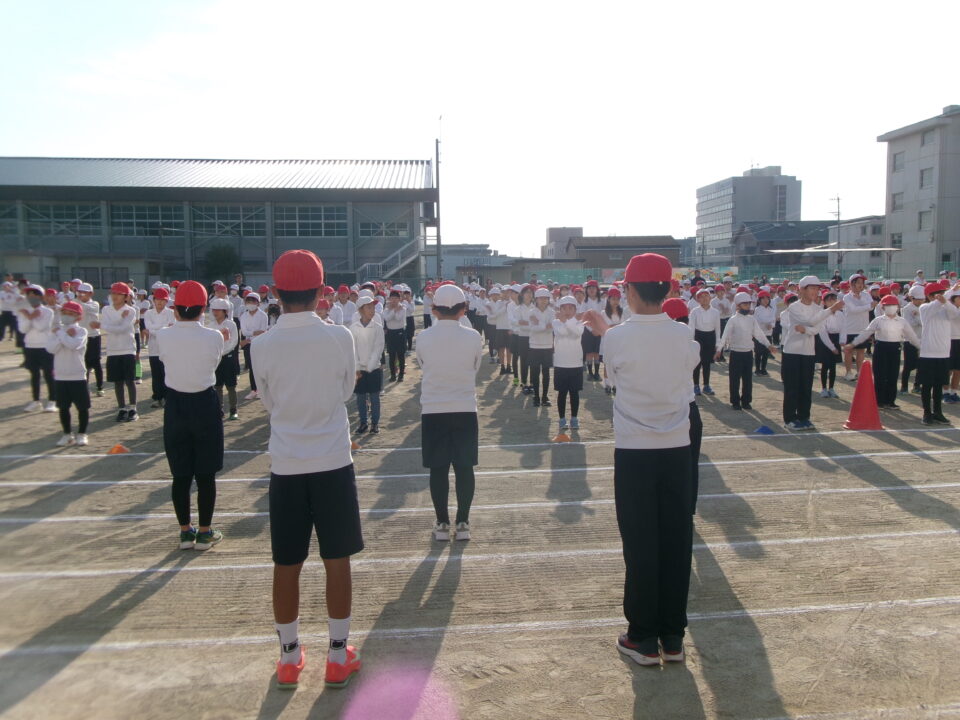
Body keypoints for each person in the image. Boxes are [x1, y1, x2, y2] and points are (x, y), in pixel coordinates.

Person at [252, 250, 363, 690]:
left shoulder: (261, 345)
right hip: (333, 459)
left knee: (286, 562)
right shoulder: (339, 336)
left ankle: (289, 656)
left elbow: (268, 401)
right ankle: (337, 655)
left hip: (287, 462)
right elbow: (346, 392)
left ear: (276, 293)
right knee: (337, 559)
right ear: (320, 292)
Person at [584, 253, 699, 666]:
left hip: (635, 450)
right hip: (677, 448)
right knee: (676, 540)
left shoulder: (616, 338)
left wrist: (606, 331)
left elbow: (613, 378)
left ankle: (642, 637)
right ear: (667, 290)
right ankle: (673, 635)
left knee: (640, 542)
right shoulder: (684, 334)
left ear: (630, 291)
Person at [157, 280, 225, 552]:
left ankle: (186, 532)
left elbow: (164, 360)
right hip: (204, 403)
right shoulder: (214, 336)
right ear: (203, 309)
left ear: (175, 309)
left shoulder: (163, 335)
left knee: (181, 474)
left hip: (176, 404)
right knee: (206, 474)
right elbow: (214, 363)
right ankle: (205, 533)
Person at [416, 284, 483, 541]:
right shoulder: (473, 337)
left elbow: (422, 364)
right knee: (465, 468)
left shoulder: (423, 337)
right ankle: (463, 522)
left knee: (438, 469)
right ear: (463, 309)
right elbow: (475, 367)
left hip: (434, 408)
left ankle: (442, 523)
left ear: (434, 310)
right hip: (465, 407)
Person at [779, 276, 845, 430]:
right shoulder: (794, 307)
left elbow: (816, 328)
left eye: (817, 289)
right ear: (802, 290)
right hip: (792, 351)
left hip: (808, 352)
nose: (815, 292)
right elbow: (810, 321)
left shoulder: (818, 309)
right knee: (792, 386)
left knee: (806, 386)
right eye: (812, 288)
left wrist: (806, 330)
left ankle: (804, 417)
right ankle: (790, 419)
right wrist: (831, 310)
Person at [844, 295, 920, 409]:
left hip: (895, 348)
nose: (891, 307)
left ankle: (890, 401)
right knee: (880, 375)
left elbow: (912, 336)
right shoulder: (878, 320)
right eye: (888, 305)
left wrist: (921, 347)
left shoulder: (902, 321)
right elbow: (866, 333)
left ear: (897, 307)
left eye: (893, 305)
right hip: (881, 348)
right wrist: (853, 344)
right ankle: (879, 401)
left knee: (893, 375)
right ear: (883, 308)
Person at [716, 292, 774, 410]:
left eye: (749, 304)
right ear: (738, 306)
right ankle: (735, 402)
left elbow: (759, 334)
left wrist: (768, 345)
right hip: (736, 353)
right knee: (734, 379)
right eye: (745, 304)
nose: (748, 306)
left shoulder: (751, 319)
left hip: (748, 352)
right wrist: (719, 349)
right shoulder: (732, 320)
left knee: (748, 379)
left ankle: (746, 401)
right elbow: (725, 335)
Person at [46, 301, 90, 445]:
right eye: (64, 313)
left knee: (82, 407)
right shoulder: (57, 330)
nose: (66, 316)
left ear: (78, 316)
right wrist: (63, 333)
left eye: (71, 314)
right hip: (60, 375)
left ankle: (82, 434)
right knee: (63, 407)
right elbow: (51, 348)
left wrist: (61, 334)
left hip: (77, 375)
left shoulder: (82, 331)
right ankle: (67, 434)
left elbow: (73, 345)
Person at [917, 281, 960, 424]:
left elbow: (955, 313)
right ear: (929, 296)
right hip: (928, 353)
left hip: (943, 353)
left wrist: (946, 300)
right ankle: (927, 413)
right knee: (927, 385)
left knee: (938, 385)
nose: (941, 296)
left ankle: (938, 412)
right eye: (937, 294)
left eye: (942, 293)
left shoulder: (946, 309)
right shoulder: (924, 307)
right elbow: (935, 305)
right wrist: (947, 294)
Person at [100, 282, 140, 422]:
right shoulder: (106, 310)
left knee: (130, 380)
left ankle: (133, 408)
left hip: (128, 349)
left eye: (119, 294)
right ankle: (122, 409)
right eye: (113, 293)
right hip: (113, 350)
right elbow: (107, 327)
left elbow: (122, 328)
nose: (115, 296)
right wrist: (120, 318)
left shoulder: (131, 310)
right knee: (118, 382)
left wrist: (113, 324)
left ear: (126, 297)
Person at [18, 284, 57, 413]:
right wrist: (30, 317)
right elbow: (23, 329)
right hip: (30, 346)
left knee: (48, 374)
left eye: (34, 295)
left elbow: (41, 327)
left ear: (40, 297)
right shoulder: (24, 311)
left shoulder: (48, 311)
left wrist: (30, 317)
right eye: (29, 295)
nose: (31, 298)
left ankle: (52, 401)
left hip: (45, 346)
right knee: (34, 374)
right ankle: (36, 401)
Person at [350, 296, 385, 434]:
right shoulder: (353, 328)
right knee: (360, 398)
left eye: (373, 307)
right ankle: (363, 423)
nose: (372, 310)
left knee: (375, 397)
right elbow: (353, 349)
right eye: (368, 307)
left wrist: (369, 366)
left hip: (374, 368)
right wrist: (358, 367)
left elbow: (378, 348)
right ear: (361, 310)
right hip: (359, 370)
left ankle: (375, 423)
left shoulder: (378, 327)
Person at [552, 296, 585, 431]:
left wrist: (567, 321)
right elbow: (562, 332)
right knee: (562, 393)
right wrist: (566, 322)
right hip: (560, 363)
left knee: (574, 393)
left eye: (571, 308)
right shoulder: (555, 322)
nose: (567, 311)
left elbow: (577, 333)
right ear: (560, 309)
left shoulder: (580, 322)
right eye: (564, 308)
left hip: (576, 363)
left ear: (575, 310)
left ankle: (574, 418)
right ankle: (561, 419)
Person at [144, 287, 175, 409]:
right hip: (153, 349)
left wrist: (154, 329)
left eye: (163, 300)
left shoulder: (170, 313)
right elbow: (148, 326)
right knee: (156, 375)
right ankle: (157, 397)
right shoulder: (148, 313)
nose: (160, 302)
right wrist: (162, 327)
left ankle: (168, 398)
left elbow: (170, 329)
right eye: (158, 299)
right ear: (154, 300)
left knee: (166, 373)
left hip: (166, 348)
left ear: (166, 301)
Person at [210, 298, 240, 420]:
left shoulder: (231, 324)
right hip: (216, 359)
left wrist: (224, 351)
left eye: (218, 310)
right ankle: (219, 409)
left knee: (231, 385)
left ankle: (233, 410)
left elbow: (234, 341)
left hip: (228, 358)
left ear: (225, 311)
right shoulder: (211, 326)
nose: (215, 312)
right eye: (214, 310)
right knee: (217, 385)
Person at [842, 274, 875, 381]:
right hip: (850, 328)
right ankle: (848, 372)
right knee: (849, 351)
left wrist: (862, 301)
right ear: (852, 284)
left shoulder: (866, 295)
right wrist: (867, 305)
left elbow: (871, 307)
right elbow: (853, 309)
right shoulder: (847, 297)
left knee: (861, 351)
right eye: (858, 283)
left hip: (863, 328)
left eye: (862, 283)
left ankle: (859, 372)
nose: (861, 285)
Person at [689, 287, 719, 396]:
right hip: (698, 337)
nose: (704, 298)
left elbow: (718, 329)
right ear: (698, 300)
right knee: (697, 363)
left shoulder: (715, 312)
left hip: (710, 337)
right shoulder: (694, 311)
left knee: (707, 363)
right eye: (701, 297)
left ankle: (706, 385)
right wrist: (691, 342)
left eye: (706, 296)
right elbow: (691, 327)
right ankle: (696, 385)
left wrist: (718, 344)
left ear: (710, 297)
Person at [75, 282, 104, 397]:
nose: (81, 294)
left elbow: (84, 308)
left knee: (96, 363)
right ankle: (84, 387)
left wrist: (77, 301)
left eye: (84, 292)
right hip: (82, 337)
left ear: (91, 293)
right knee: (84, 363)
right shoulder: (76, 302)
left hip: (94, 336)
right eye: (79, 292)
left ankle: (100, 387)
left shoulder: (94, 304)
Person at [527, 287, 554, 407]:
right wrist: (544, 326)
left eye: (545, 298)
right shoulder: (531, 312)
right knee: (535, 372)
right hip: (534, 345)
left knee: (546, 372)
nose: (543, 300)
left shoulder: (552, 312)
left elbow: (551, 328)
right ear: (536, 299)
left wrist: (539, 323)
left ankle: (545, 397)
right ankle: (536, 396)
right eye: (540, 298)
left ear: (548, 299)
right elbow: (532, 328)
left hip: (548, 345)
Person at [239, 292, 269, 400]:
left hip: (260, 344)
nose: (250, 303)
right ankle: (253, 390)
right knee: (252, 367)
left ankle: (262, 390)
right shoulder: (244, 316)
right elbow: (244, 331)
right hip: (249, 345)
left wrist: (250, 336)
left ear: (258, 303)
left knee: (260, 367)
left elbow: (263, 331)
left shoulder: (263, 315)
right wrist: (254, 333)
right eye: (248, 301)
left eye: (253, 301)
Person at [815, 290, 844, 398]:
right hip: (825, 341)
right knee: (825, 365)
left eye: (834, 300)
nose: (832, 302)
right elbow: (822, 333)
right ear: (824, 302)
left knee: (833, 366)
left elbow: (844, 328)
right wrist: (832, 347)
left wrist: (842, 341)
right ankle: (823, 388)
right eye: (829, 300)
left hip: (836, 339)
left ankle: (831, 388)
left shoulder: (840, 314)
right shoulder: (822, 314)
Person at [901, 285, 925, 394]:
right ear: (911, 298)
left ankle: (917, 386)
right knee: (908, 365)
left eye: (922, 299)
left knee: (921, 365)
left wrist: (917, 318)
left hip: (921, 339)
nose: (920, 301)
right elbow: (908, 324)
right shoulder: (906, 309)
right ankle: (904, 386)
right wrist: (917, 319)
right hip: (909, 340)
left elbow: (924, 323)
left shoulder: (924, 307)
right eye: (918, 299)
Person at [383, 290, 407, 382]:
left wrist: (393, 311)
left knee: (401, 355)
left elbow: (398, 318)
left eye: (396, 298)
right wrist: (394, 310)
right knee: (392, 355)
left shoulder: (403, 308)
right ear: (389, 299)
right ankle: (393, 375)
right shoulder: (386, 309)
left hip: (400, 332)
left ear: (399, 299)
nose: (393, 300)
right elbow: (387, 318)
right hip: (390, 333)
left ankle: (401, 375)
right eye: (392, 298)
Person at [753, 291, 776, 376]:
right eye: (763, 298)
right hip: (759, 334)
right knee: (758, 353)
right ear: (759, 300)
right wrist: (768, 323)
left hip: (768, 333)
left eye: (767, 298)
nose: (766, 300)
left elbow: (773, 320)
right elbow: (758, 320)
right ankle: (757, 369)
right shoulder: (757, 309)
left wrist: (771, 325)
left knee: (766, 352)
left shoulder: (771, 309)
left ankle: (763, 369)